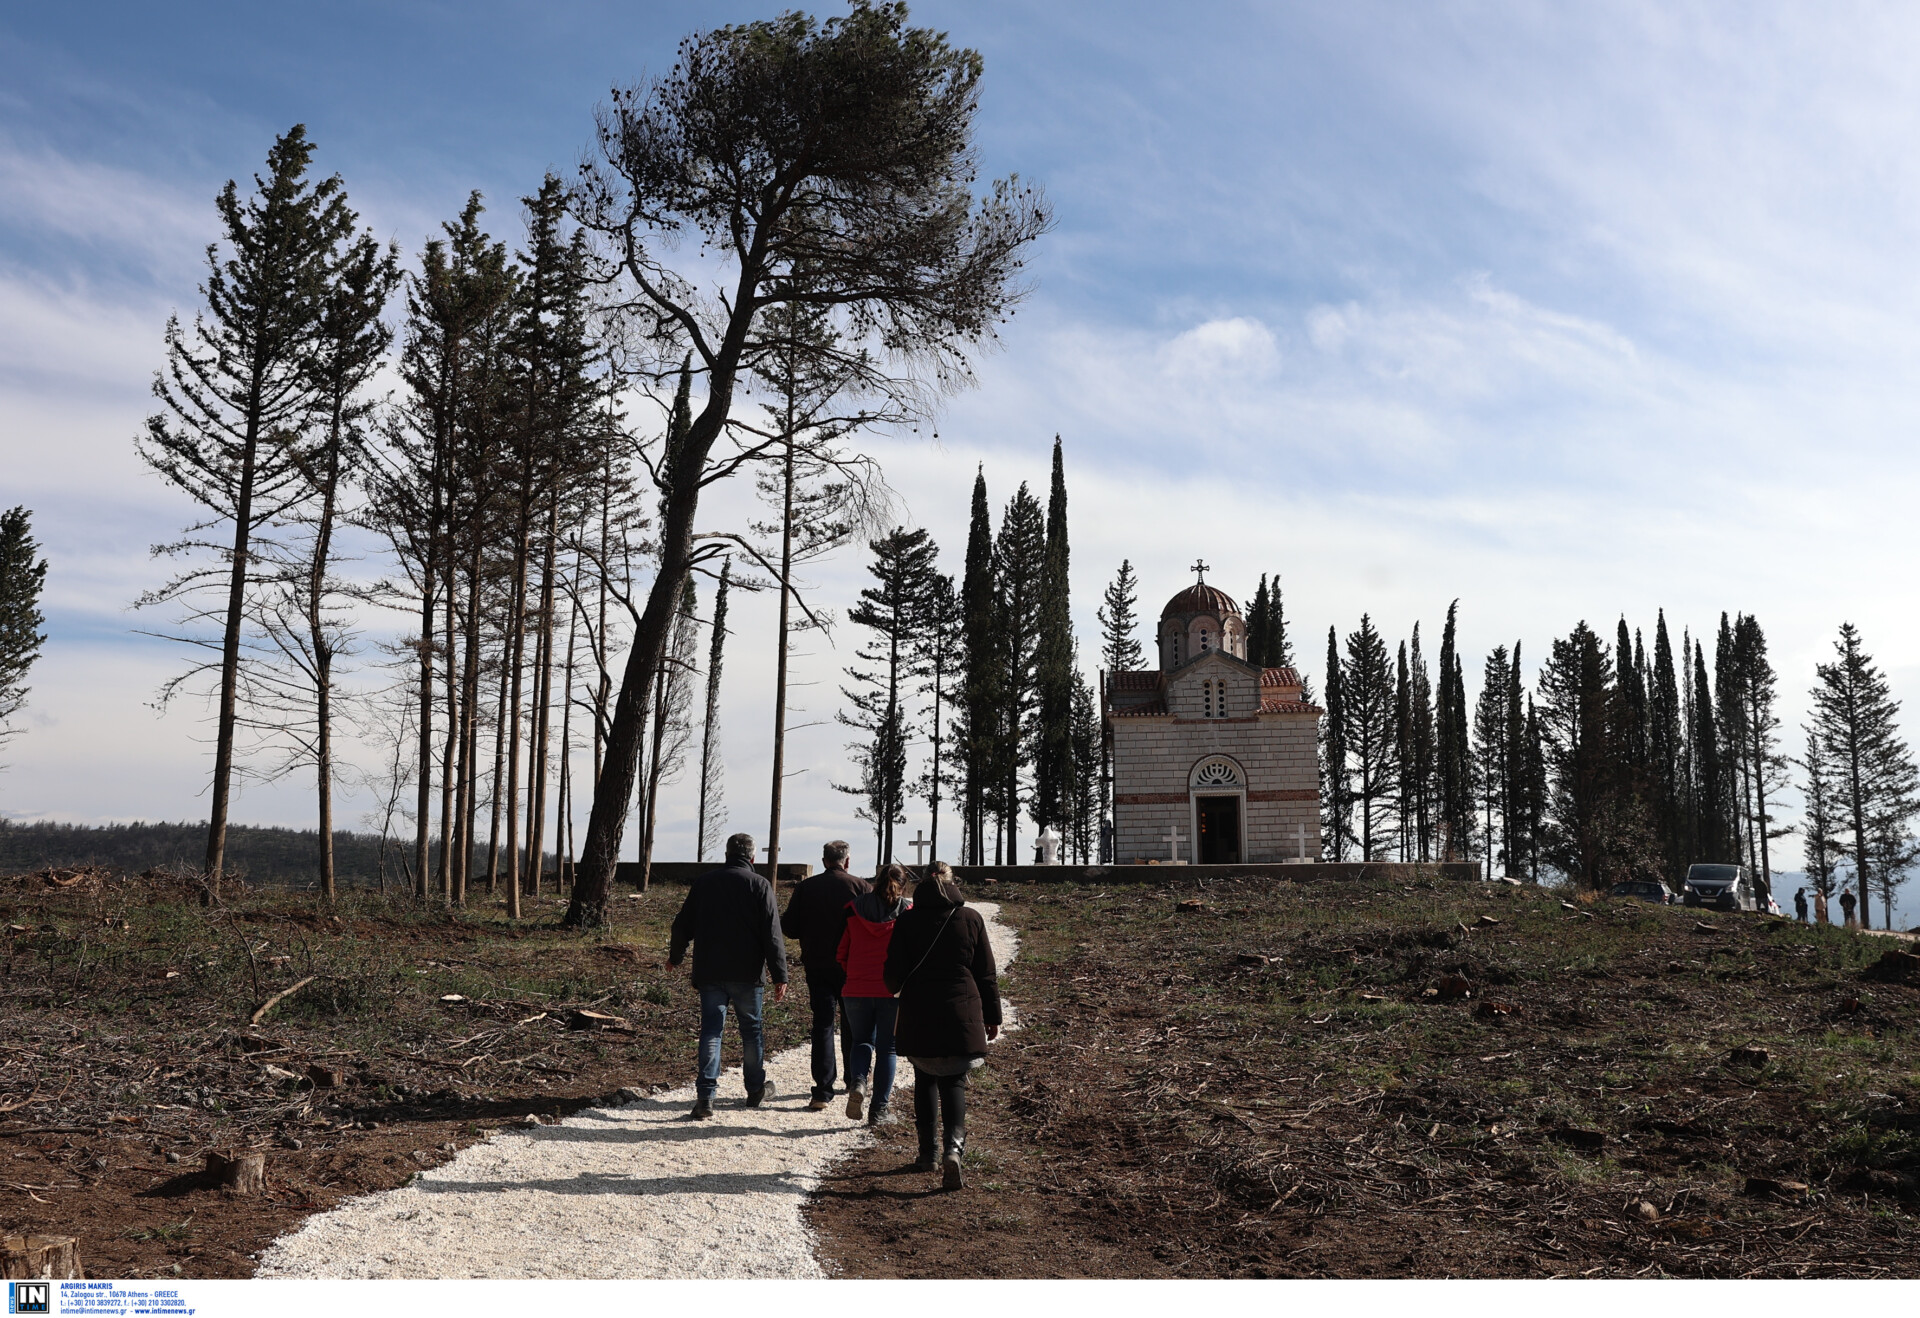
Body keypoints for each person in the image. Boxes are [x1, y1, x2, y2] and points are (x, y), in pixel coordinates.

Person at [884, 861, 1001, 1191]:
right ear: (953, 885)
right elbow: (986, 973)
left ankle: (927, 1155)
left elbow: (893, 970)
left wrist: (894, 989)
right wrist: (992, 1015)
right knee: (954, 1081)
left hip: (919, 1009)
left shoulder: (907, 920)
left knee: (925, 1077)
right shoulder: (971, 919)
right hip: (961, 1012)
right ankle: (954, 1149)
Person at [668, 832, 789, 1120]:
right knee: (751, 1031)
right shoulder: (760, 885)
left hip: (710, 970)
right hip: (748, 974)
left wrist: (676, 957)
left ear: (726, 854)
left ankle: (706, 1097)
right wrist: (779, 974)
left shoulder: (705, 883)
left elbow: (682, 924)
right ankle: (755, 1089)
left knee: (712, 1031)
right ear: (752, 857)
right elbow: (772, 935)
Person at [781, 841, 870, 1111]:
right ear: (847, 861)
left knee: (823, 1024)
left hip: (817, 964)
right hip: (852, 966)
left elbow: (789, 926)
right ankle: (855, 1078)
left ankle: (822, 1090)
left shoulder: (806, 888)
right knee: (854, 1023)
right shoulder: (861, 887)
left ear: (823, 861)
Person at [837, 862, 912, 1125]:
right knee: (887, 1049)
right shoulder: (908, 913)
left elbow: (842, 952)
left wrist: (856, 974)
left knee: (860, 1041)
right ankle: (879, 1109)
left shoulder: (854, 910)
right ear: (902, 886)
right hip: (890, 991)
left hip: (855, 988)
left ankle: (858, 1081)